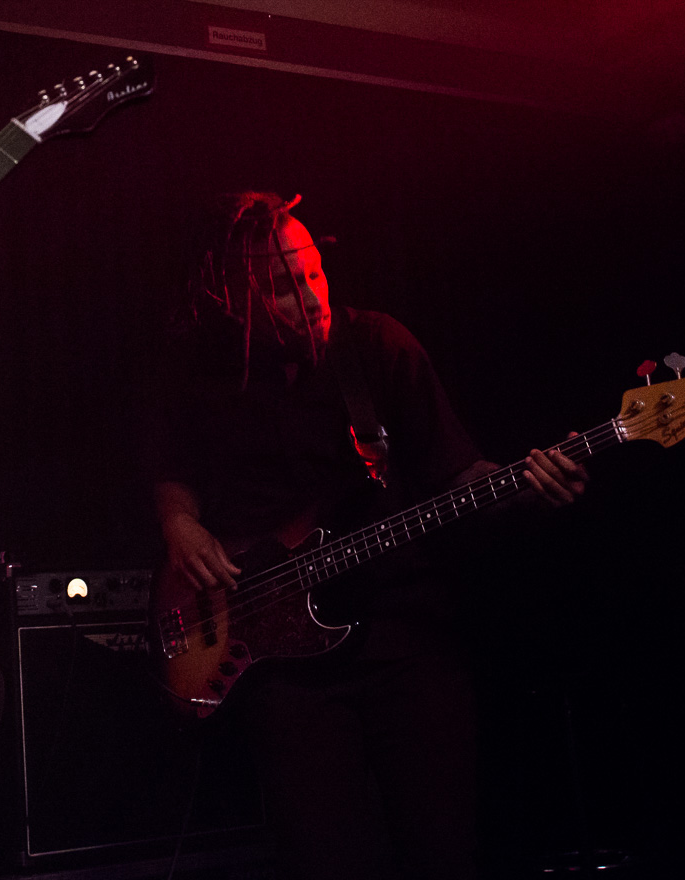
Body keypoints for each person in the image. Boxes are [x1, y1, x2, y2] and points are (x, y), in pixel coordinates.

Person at [143, 192, 587, 880]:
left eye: (314, 274)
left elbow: (456, 470)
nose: (310, 299)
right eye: (284, 287)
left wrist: (524, 485)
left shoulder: (377, 345)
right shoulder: (206, 374)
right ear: (235, 297)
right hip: (284, 672)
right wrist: (179, 522)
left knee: (441, 854)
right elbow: (172, 468)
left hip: (407, 644)